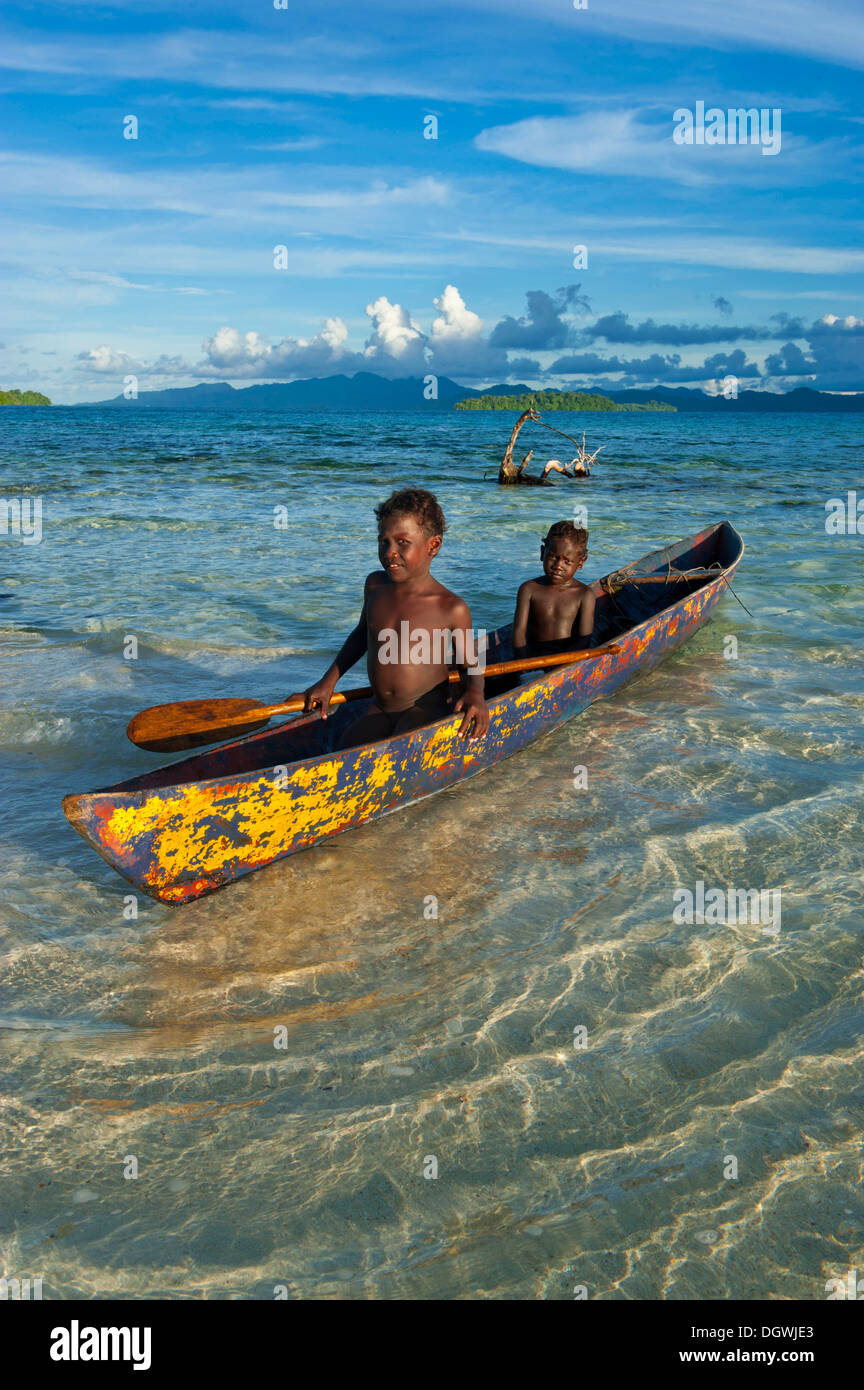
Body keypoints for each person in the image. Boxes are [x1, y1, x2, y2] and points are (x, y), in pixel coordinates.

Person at [290, 488, 490, 748]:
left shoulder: (451, 607)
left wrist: (476, 692)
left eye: (402, 542)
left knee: (401, 747)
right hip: (380, 707)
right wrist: (328, 682)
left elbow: (470, 664)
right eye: (383, 541)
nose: (390, 551)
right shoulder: (375, 585)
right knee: (344, 749)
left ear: (434, 545)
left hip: (424, 710)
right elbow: (362, 634)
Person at [512, 520, 596, 660]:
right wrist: (523, 665)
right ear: (542, 553)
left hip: (566, 661)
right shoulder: (529, 589)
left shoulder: (584, 594)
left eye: (567, 561)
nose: (558, 565)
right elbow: (519, 633)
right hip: (531, 660)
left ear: (580, 562)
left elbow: (583, 640)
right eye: (553, 557)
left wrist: (560, 665)